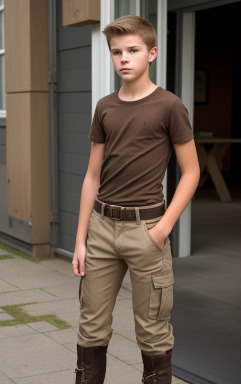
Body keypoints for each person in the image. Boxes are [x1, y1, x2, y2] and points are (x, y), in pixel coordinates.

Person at [72, 14, 200, 384]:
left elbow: (191, 172)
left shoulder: (170, 106)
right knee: (90, 328)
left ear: (152, 53)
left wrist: (161, 230)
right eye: (116, 52)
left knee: (153, 332)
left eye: (133, 50)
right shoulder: (105, 107)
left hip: (147, 230)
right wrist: (81, 240)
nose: (124, 58)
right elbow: (92, 175)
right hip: (100, 230)